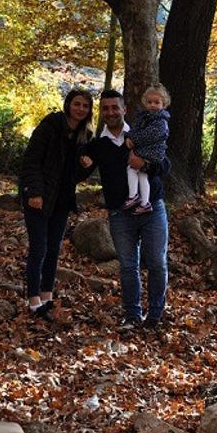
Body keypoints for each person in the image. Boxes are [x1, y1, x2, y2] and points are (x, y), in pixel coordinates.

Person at [80, 90, 170, 329]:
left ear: (124, 109)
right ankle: (132, 315)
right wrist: (83, 162)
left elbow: (166, 165)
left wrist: (146, 164)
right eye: (106, 108)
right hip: (120, 213)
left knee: (157, 263)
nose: (111, 112)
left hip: (152, 210)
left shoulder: (143, 132)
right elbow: (81, 172)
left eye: (115, 107)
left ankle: (155, 316)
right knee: (128, 267)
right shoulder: (98, 144)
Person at [19, 89, 94, 321]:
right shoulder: (51, 125)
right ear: (68, 104)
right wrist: (35, 192)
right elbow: (31, 160)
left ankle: (46, 296)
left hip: (62, 200)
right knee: (39, 248)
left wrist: (86, 166)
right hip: (39, 197)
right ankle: (33, 300)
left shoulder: (84, 136)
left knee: (53, 249)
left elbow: (76, 175)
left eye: (85, 106)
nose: (80, 109)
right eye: (77, 104)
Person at [122, 84, 170, 215]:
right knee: (142, 175)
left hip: (152, 151)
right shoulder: (145, 117)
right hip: (148, 150)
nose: (152, 105)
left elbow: (149, 135)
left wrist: (133, 139)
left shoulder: (161, 121)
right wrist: (129, 136)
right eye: (149, 102)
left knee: (131, 169)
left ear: (163, 104)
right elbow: (137, 130)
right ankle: (145, 203)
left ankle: (133, 196)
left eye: (156, 102)